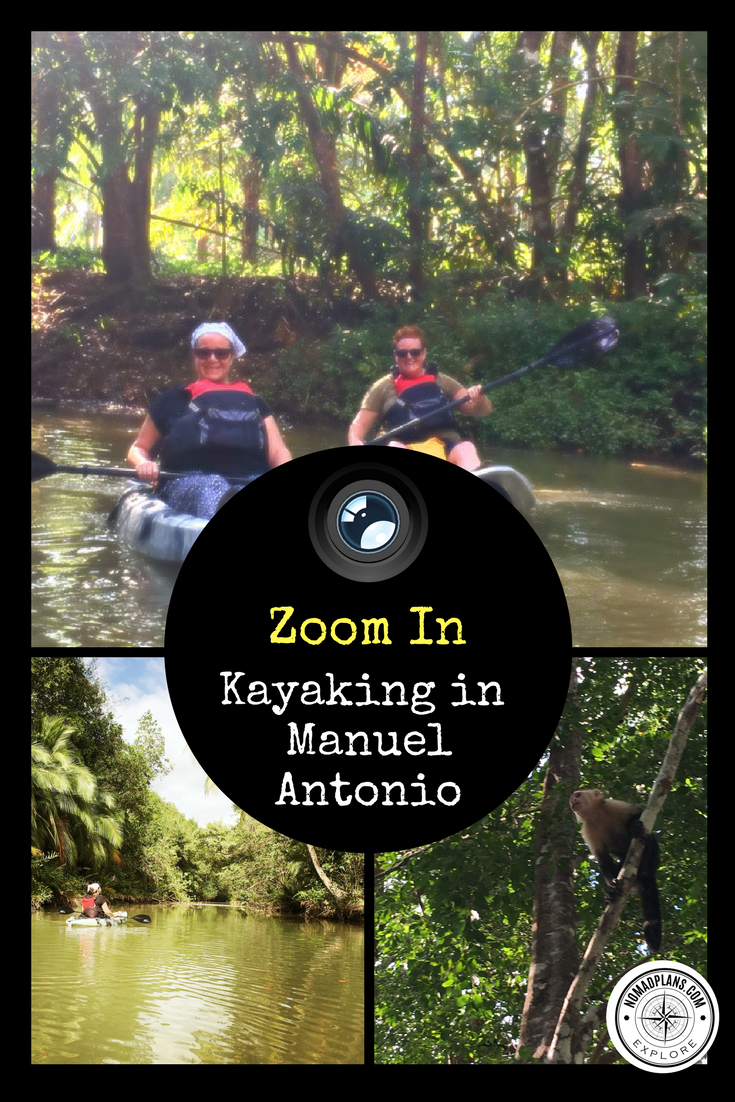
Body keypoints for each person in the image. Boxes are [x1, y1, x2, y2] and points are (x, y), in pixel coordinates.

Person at [127, 322, 291, 519]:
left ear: (231, 357)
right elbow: (138, 448)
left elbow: (278, 451)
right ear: (195, 356)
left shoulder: (255, 403)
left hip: (248, 478)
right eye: (204, 353)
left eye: (221, 353)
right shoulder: (171, 400)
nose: (212, 359)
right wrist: (143, 464)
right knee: (212, 485)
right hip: (188, 481)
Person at [347, 326, 492, 470]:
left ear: (423, 353)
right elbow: (359, 424)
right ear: (395, 356)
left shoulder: (442, 381)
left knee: (467, 447)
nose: (409, 357)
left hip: (445, 447)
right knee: (394, 446)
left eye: (415, 352)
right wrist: (355, 442)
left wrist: (480, 398)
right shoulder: (383, 387)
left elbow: (480, 410)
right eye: (402, 353)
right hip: (402, 444)